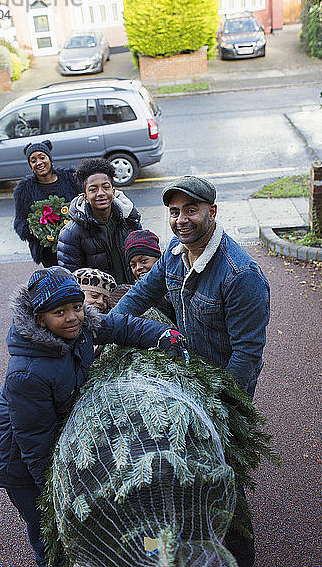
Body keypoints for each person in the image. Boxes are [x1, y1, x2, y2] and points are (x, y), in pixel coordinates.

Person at [111, 175, 271, 567]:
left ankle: (239, 557)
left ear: (212, 213)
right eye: (174, 211)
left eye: (191, 210)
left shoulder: (240, 275)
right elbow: (142, 293)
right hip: (184, 383)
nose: (181, 219)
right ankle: (165, 555)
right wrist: (103, 329)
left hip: (218, 394)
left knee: (220, 480)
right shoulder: (173, 250)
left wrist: (221, 411)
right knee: (168, 481)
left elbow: (247, 355)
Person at [0, 266, 188, 567]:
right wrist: (59, 492)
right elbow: (35, 444)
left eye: (76, 307)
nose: (72, 317)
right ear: (38, 318)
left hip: (55, 431)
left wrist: (163, 334)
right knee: (51, 535)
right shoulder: (28, 373)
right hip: (23, 462)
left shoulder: (79, 327)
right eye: (60, 312)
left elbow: (123, 327)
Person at [57, 158, 142, 283]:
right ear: (85, 197)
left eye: (106, 187)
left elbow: (143, 256)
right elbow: (70, 279)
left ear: (113, 192)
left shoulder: (129, 220)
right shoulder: (70, 233)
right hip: (98, 300)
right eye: (93, 189)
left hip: (132, 293)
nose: (100, 193)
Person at [13, 140, 81, 267]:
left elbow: (85, 203)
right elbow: (20, 221)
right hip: (47, 250)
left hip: (76, 243)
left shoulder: (70, 179)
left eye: (42, 157)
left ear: (49, 159)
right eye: (33, 160)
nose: (39, 163)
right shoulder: (23, 190)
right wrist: (31, 230)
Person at [124, 229, 176, 324]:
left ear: (159, 259)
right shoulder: (134, 297)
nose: (138, 268)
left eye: (144, 261)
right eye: (133, 265)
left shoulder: (175, 286)